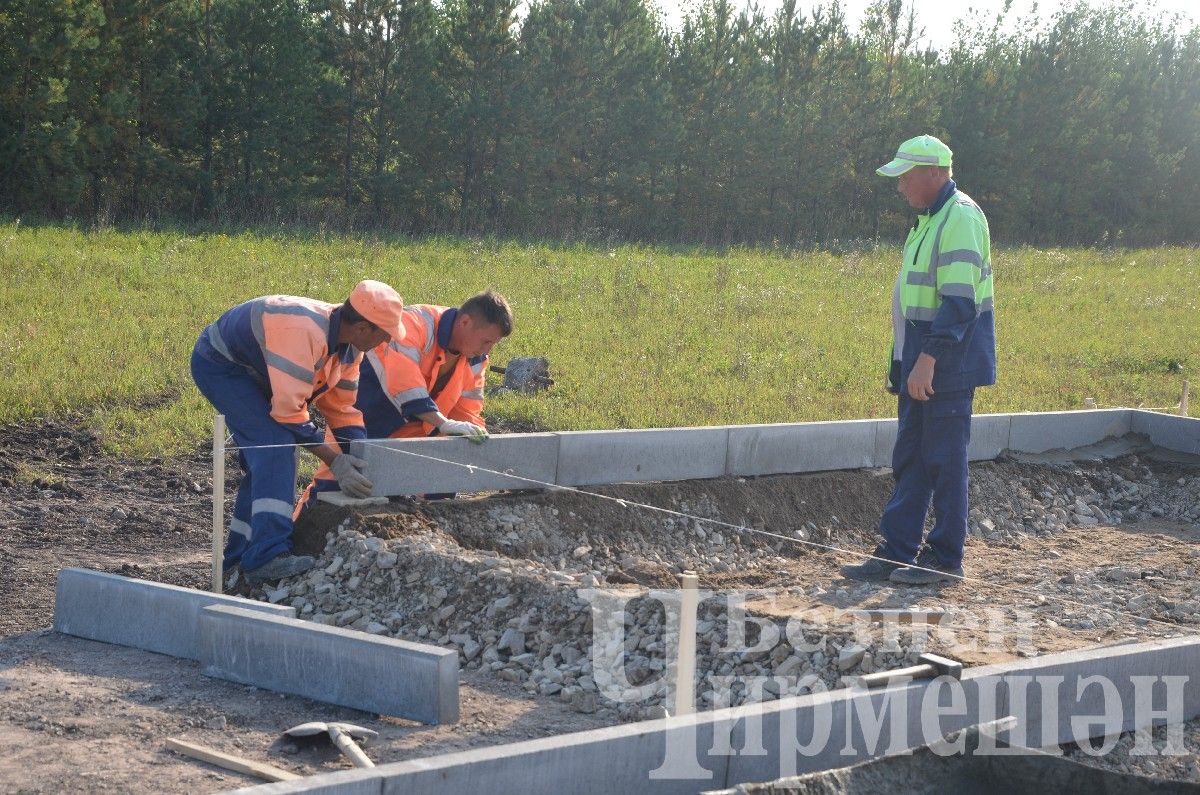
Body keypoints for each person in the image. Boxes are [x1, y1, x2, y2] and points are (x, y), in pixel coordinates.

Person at [841, 135, 996, 585]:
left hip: (947, 363)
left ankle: (946, 559)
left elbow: (960, 302)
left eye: (905, 177)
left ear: (933, 173)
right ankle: (896, 551)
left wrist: (927, 358)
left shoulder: (960, 218)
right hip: (922, 361)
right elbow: (914, 300)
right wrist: (903, 361)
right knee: (911, 457)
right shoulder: (929, 217)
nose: (900, 187)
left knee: (945, 460)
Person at [190, 280, 405, 585]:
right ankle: (266, 557)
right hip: (222, 364)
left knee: (265, 460)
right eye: (384, 334)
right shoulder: (305, 332)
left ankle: (238, 558)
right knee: (276, 447)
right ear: (362, 329)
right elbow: (289, 414)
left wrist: (363, 457)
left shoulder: (349, 351)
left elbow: (341, 409)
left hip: (257, 373)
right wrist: (336, 461)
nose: (385, 341)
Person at [297, 289, 513, 509]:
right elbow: (404, 382)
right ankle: (300, 535)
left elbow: (467, 411)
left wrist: (473, 444)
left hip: (414, 431)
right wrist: (442, 422)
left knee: (433, 492)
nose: (488, 350)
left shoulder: (476, 359)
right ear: (465, 322)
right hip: (366, 415)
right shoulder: (418, 323)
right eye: (486, 341)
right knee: (332, 488)